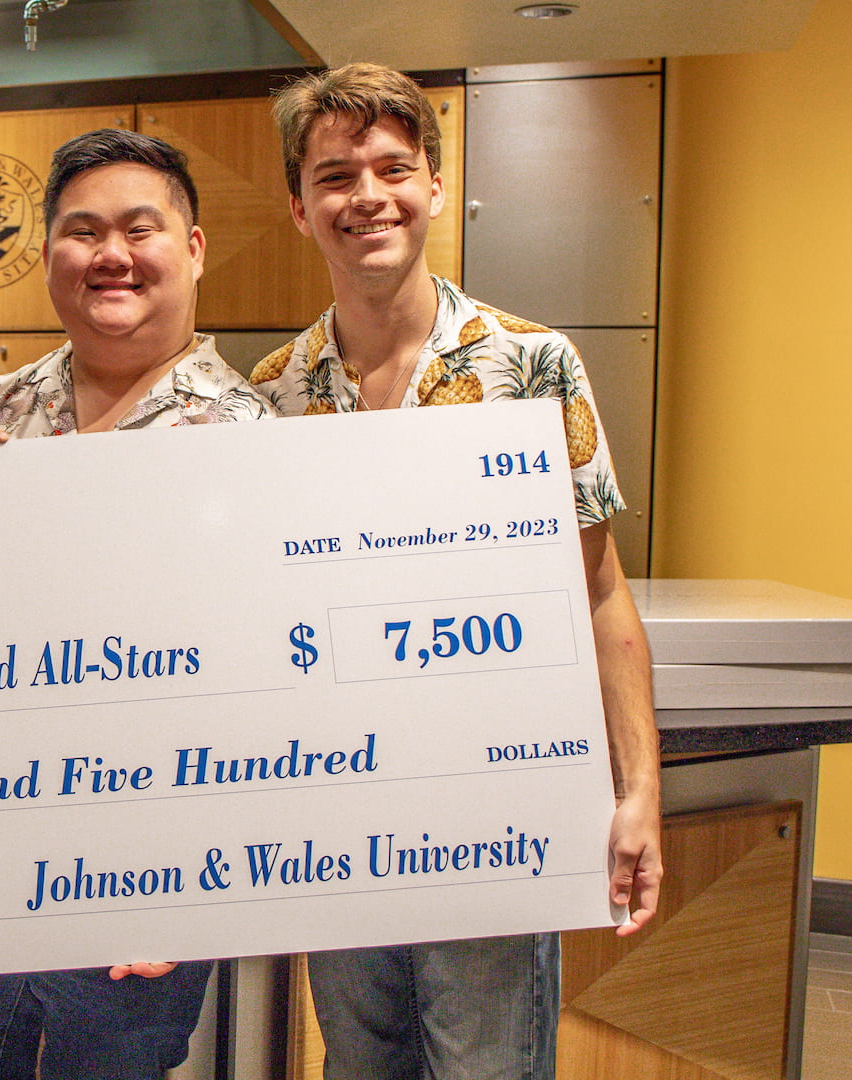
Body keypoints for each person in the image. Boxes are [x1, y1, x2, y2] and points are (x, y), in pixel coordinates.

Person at [249, 62, 664, 1080]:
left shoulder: (532, 366)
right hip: (338, 812)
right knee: (361, 1063)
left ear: (436, 183)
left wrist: (639, 790)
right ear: (299, 208)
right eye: (337, 175)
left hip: (495, 810)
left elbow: (598, 591)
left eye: (394, 167)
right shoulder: (272, 395)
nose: (368, 196)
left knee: (487, 1066)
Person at [0, 129, 270, 1080]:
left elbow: (262, 689)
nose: (111, 255)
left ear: (191, 248)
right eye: (83, 232)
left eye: (139, 230)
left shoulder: (254, 440)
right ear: (47, 258)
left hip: (136, 877)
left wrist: (188, 886)